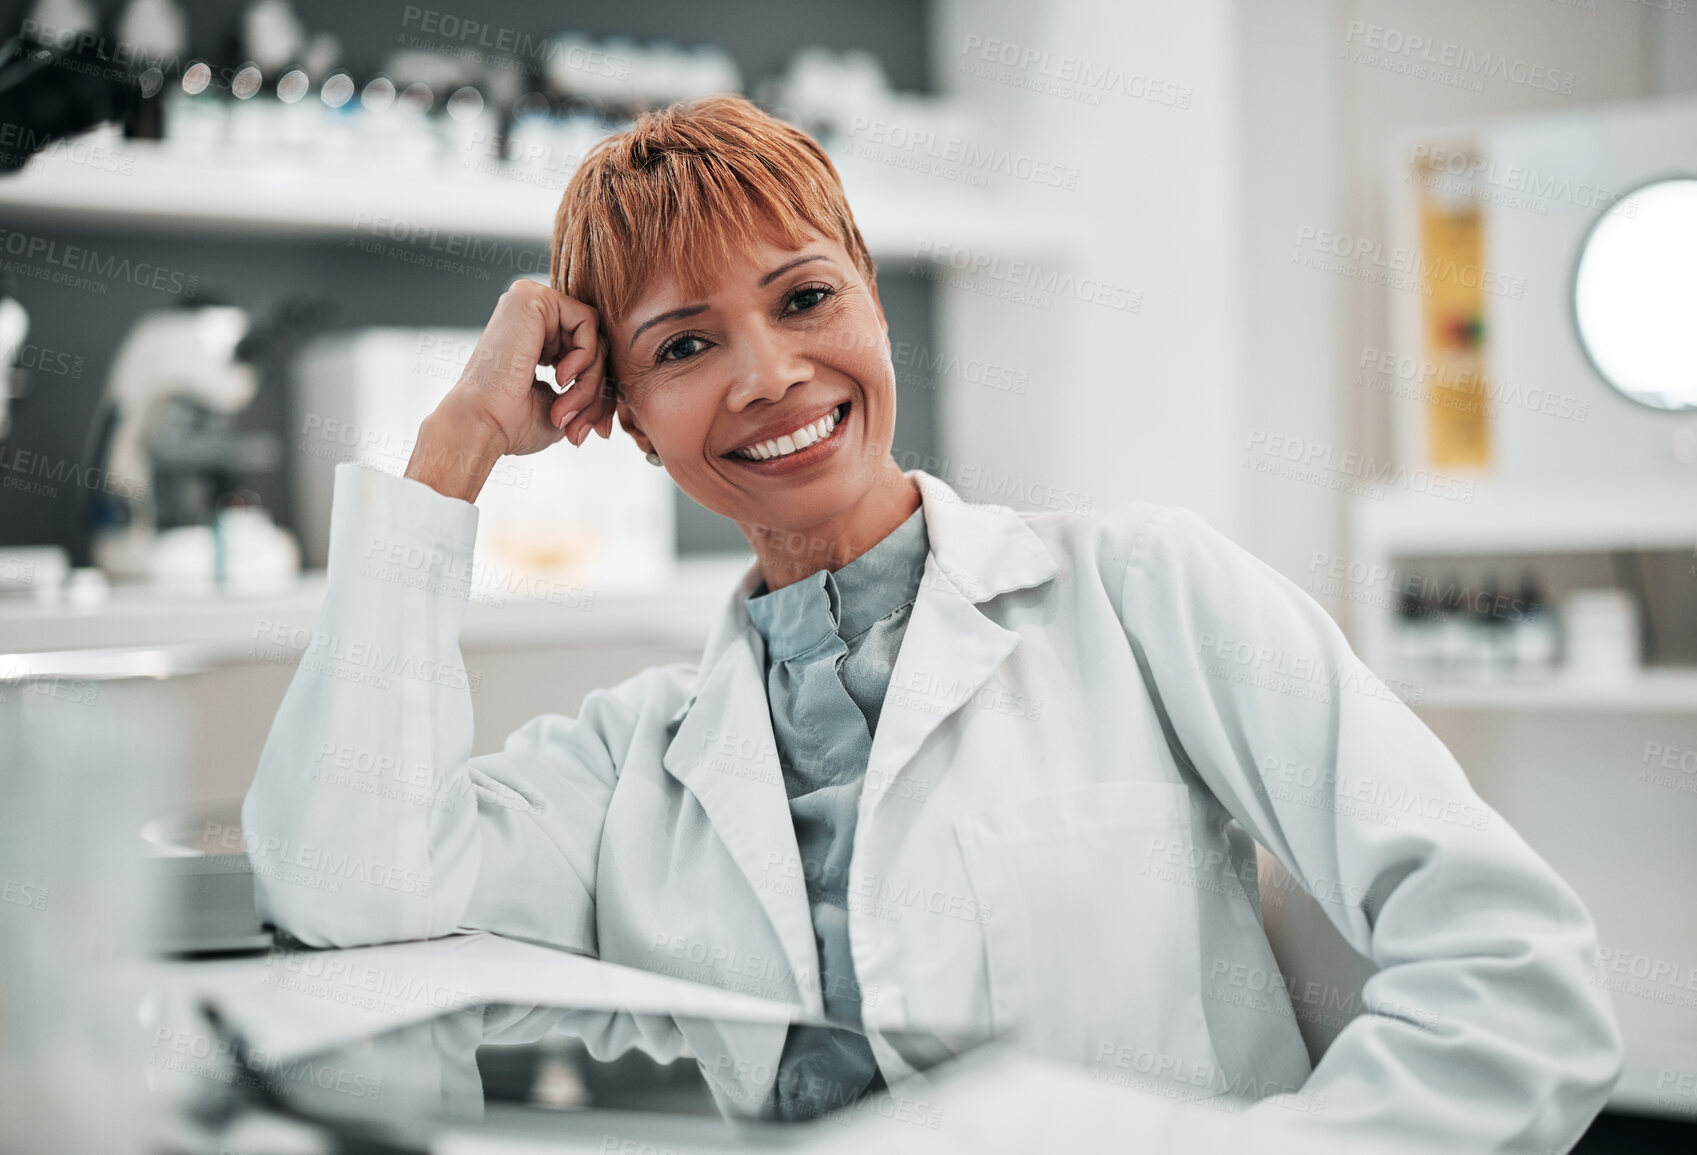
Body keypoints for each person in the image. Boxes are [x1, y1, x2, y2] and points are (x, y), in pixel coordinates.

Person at [242, 95, 1621, 1147]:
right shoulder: (633, 763)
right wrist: (454, 448)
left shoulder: (1145, 594)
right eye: (683, 346)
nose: (771, 376)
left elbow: (1519, 978)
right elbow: (346, 892)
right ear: (629, 427)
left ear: (873, 305)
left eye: (804, 298)